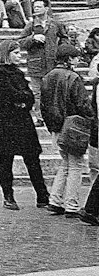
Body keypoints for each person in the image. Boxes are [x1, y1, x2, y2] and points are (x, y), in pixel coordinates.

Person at [0, 38, 50, 210]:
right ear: (7, 54)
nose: (19, 56)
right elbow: (8, 96)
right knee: (6, 161)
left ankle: (42, 195)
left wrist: (22, 100)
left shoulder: (18, 73)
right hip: (6, 123)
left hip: (22, 122)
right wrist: (20, 99)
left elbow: (29, 97)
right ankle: (8, 196)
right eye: (15, 53)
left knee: (33, 159)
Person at [40, 46, 94, 217]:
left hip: (56, 127)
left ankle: (55, 200)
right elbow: (83, 104)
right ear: (69, 59)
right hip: (73, 126)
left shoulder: (48, 77)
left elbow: (43, 105)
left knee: (65, 164)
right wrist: (92, 118)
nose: (78, 60)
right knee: (76, 165)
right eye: (76, 57)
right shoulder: (73, 77)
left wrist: (51, 126)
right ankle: (71, 204)